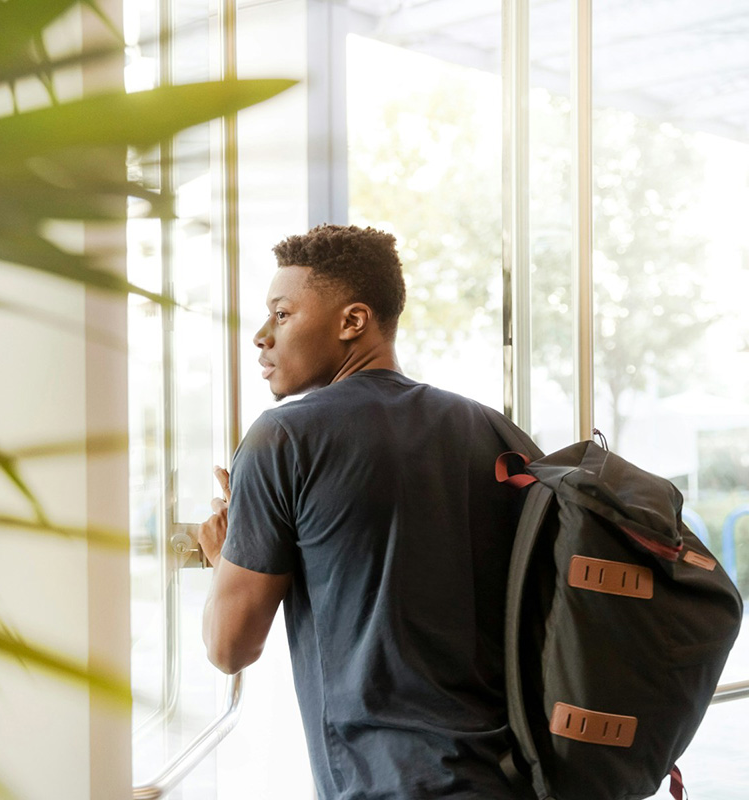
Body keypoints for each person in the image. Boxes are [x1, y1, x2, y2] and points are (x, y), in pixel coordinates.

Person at [197, 224, 530, 799]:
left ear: (353, 321)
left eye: (281, 314)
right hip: (511, 777)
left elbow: (229, 648)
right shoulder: (490, 429)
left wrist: (228, 553)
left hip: (384, 783)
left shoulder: (283, 437)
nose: (260, 337)